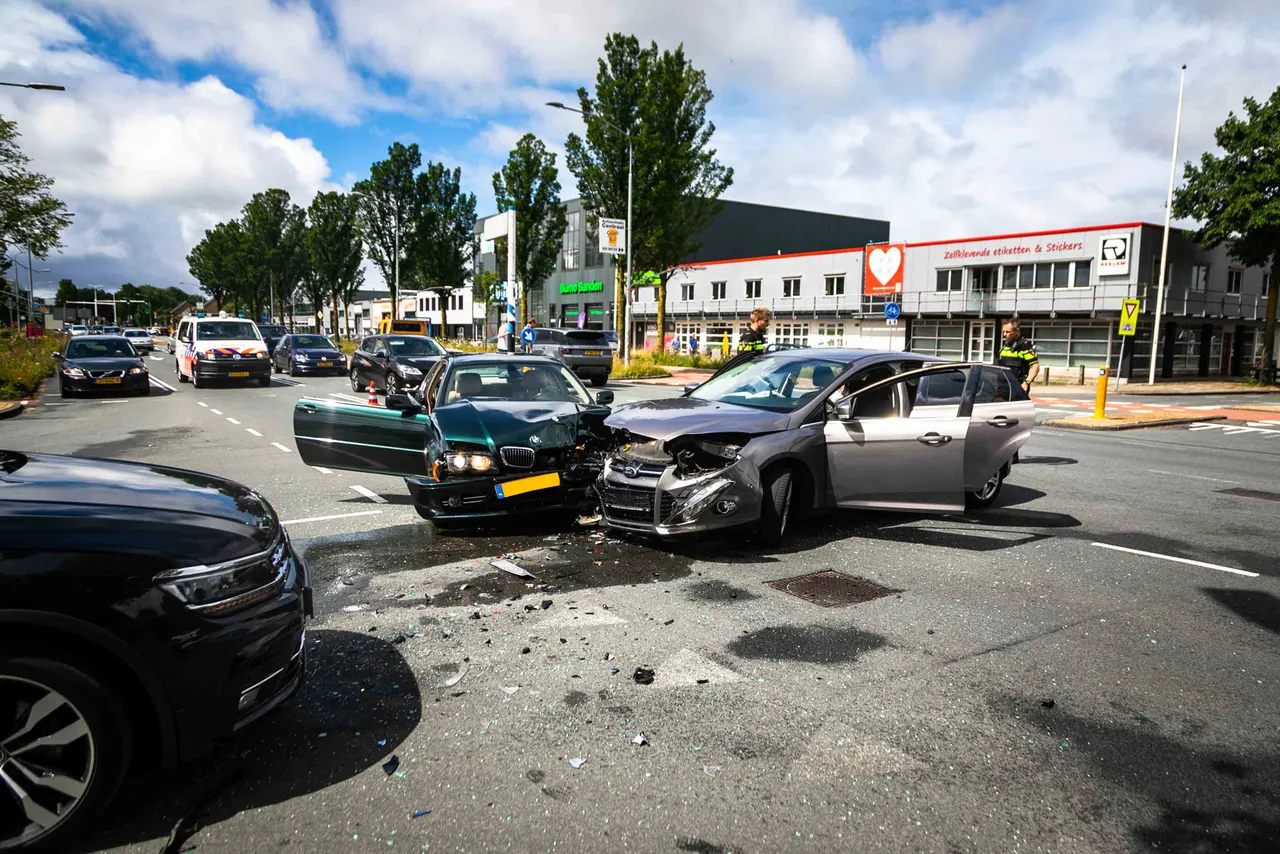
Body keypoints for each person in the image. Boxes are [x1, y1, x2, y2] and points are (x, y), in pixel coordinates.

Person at [997, 319, 1040, 393]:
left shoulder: (1024, 346)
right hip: (1003, 386)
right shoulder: (1006, 345)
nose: (1004, 334)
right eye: (1003, 332)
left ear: (1017, 331)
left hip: (1018, 386)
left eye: (1007, 332)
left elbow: (1035, 366)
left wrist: (1026, 383)